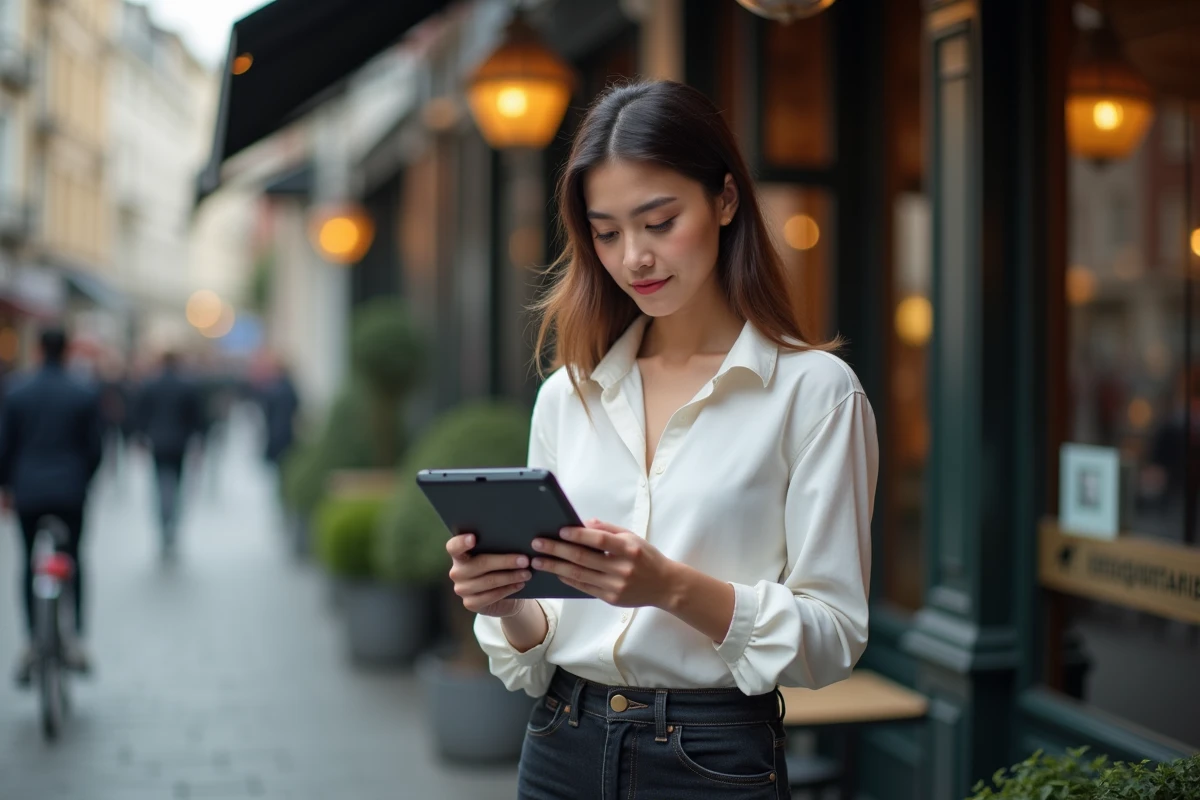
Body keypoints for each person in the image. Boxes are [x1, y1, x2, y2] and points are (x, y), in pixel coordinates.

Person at [446, 81, 878, 798]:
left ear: (726, 201)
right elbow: (538, 640)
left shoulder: (815, 393)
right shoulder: (569, 395)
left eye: (659, 220)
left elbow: (833, 637)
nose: (634, 257)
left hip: (711, 757)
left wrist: (669, 587)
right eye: (607, 232)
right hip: (559, 744)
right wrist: (506, 606)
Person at [0, 327, 104, 684]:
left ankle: (31, 640)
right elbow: (95, 450)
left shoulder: (16, 391)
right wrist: (84, 480)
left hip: (28, 492)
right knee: (73, 559)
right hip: (70, 491)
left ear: (39, 349)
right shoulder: (84, 392)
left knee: (29, 562)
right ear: (68, 350)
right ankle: (74, 637)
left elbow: (5, 446)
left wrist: (6, 488)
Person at [133, 351, 203, 557]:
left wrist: (140, 438)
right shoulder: (187, 386)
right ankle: (171, 523)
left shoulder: (150, 385)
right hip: (179, 443)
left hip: (158, 443)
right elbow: (196, 418)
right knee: (177, 484)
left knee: (160, 485)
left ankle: (164, 522)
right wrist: (198, 441)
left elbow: (140, 415)